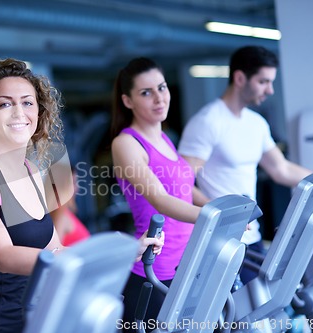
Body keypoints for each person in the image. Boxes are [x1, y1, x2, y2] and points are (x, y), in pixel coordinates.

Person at [0, 58, 164, 333]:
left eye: (27, 102)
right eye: (5, 104)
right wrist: (98, 257)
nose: (19, 112)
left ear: (39, 111)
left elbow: (54, 249)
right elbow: (3, 255)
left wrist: (126, 251)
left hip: (27, 320)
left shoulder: (31, 170)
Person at [177, 45, 313, 283]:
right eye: (263, 82)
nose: (270, 90)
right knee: (233, 317)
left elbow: (281, 169)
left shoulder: (256, 123)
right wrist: (222, 211)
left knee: (259, 309)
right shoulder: (208, 122)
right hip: (219, 243)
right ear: (240, 78)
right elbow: (180, 183)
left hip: (251, 238)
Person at [110, 57, 208, 332]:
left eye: (162, 88)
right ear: (128, 101)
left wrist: (221, 207)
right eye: (146, 92)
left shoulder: (164, 139)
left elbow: (184, 189)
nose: (159, 98)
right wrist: (213, 217)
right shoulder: (126, 143)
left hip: (186, 265)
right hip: (154, 272)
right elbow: (160, 199)